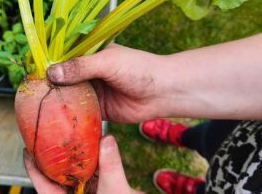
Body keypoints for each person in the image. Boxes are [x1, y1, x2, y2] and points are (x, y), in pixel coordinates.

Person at [23, 34, 262, 193]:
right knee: (211, 137)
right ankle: (183, 137)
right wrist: (158, 87)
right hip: (248, 134)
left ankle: (194, 188)